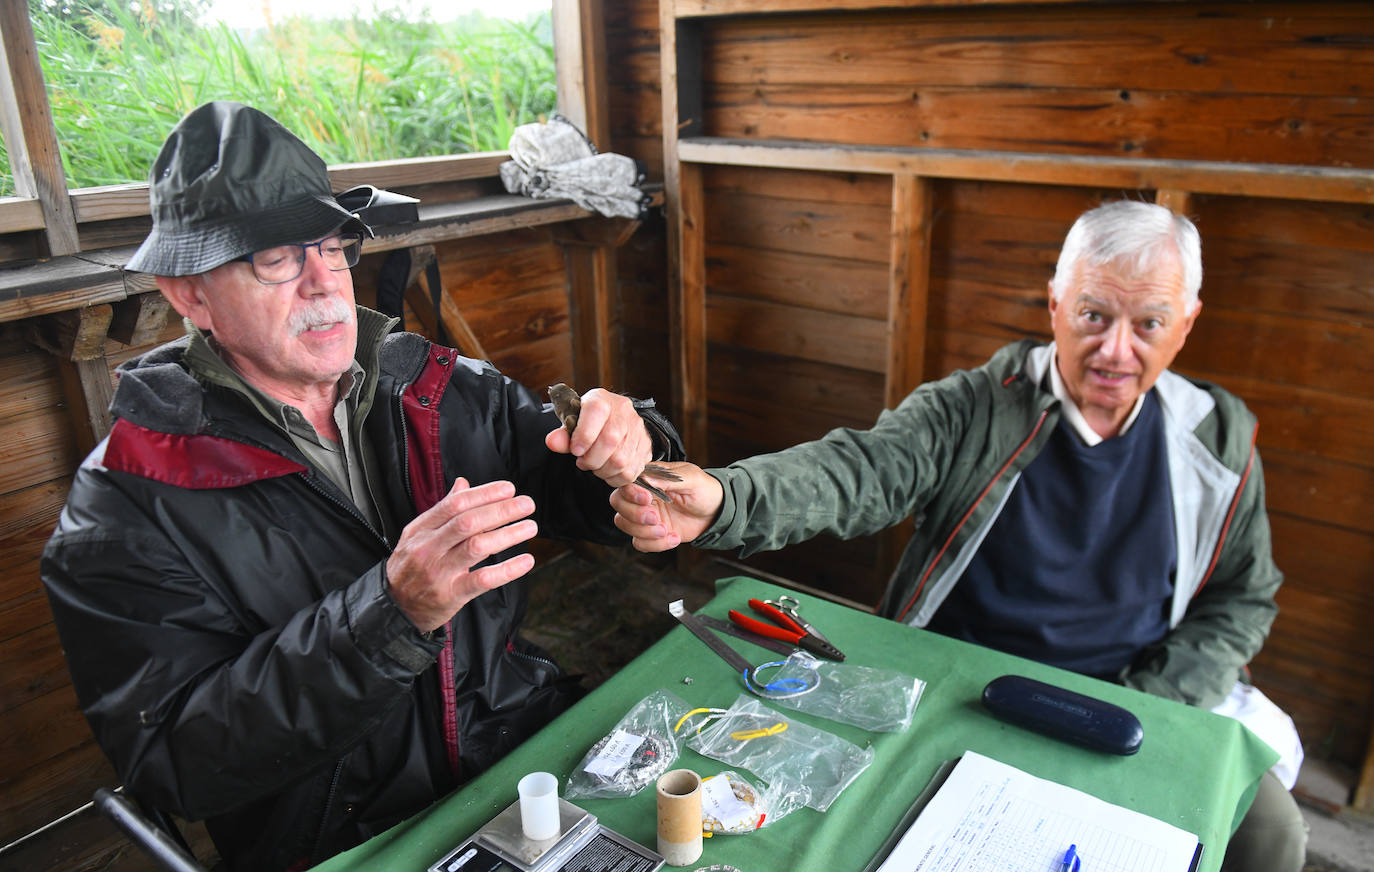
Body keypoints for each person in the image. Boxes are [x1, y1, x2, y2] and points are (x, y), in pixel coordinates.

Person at [40, 101, 682, 871]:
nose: (322, 282)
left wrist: (633, 444)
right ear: (188, 293)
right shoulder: (125, 505)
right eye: (275, 257)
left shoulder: (435, 389)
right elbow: (181, 761)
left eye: (331, 245)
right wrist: (392, 611)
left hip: (521, 754)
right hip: (346, 833)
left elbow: (589, 493)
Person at [611, 200, 1306, 871]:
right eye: (1093, 315)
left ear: (1186, 324)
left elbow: (1243, 598)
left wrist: (1154, 698)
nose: (1115, 351)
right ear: (1056, 305)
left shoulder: (1216, 437)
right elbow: (860, 470)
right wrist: (729, 498)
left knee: (1270, 833)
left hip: (1139, 693)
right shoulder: (979, 406)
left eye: (1149, 323)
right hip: (969, 681)